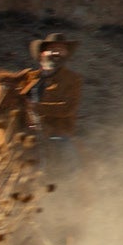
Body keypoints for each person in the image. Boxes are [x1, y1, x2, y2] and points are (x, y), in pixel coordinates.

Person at [24, 33, 83, 173]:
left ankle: (69, 186)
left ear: (66, 54)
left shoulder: (73, 79)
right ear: (42, 53)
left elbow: (68, 108)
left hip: (55, 132)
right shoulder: (28, 77)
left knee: (66, 155)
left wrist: (36, 108)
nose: (57, 52)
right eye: (53, 48)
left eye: (62, 49)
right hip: (25, 131)